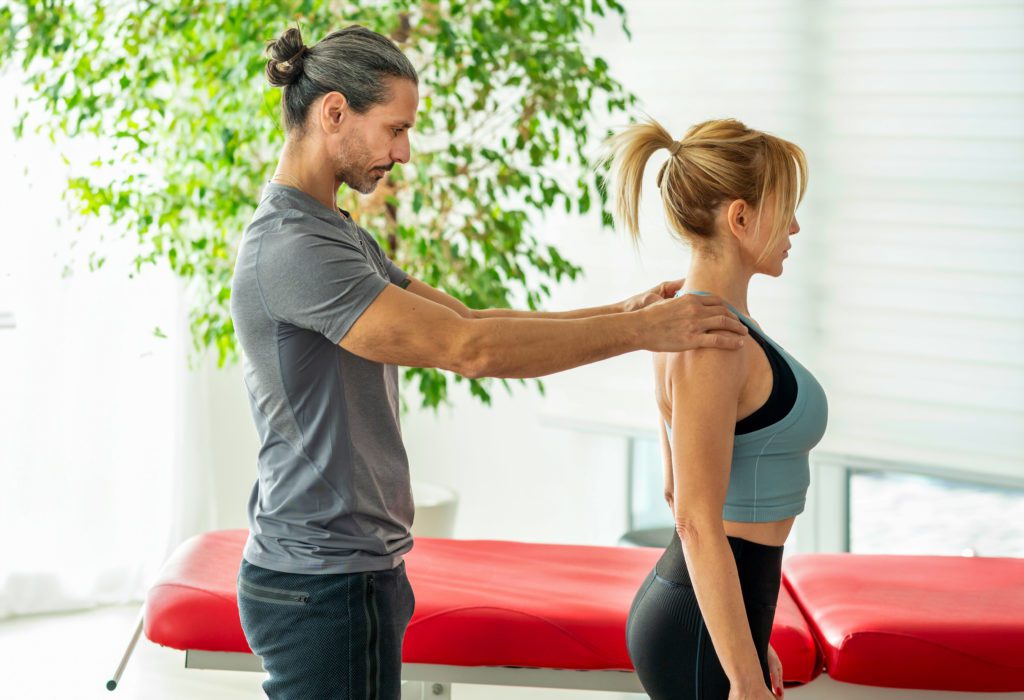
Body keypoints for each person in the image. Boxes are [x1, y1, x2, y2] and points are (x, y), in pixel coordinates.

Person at [229, 25, 749, 700]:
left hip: (350, 570)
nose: (404, 152)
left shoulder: (337, 236)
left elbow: (468, 320)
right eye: (394, 129)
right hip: (320, 582)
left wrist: (626, 314)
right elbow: (466, 352)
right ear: (333, 113)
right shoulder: (293, 249)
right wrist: (643, 331)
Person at [604, 118, 828, 700]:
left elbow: (679, 490)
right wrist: (743, 675)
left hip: (712, 619)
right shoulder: (710, 338)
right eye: (787, 208)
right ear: (740, 217)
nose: (796, 227)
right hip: (695, 631)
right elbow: (694, 518)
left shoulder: (707, 320)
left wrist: (751, 639)